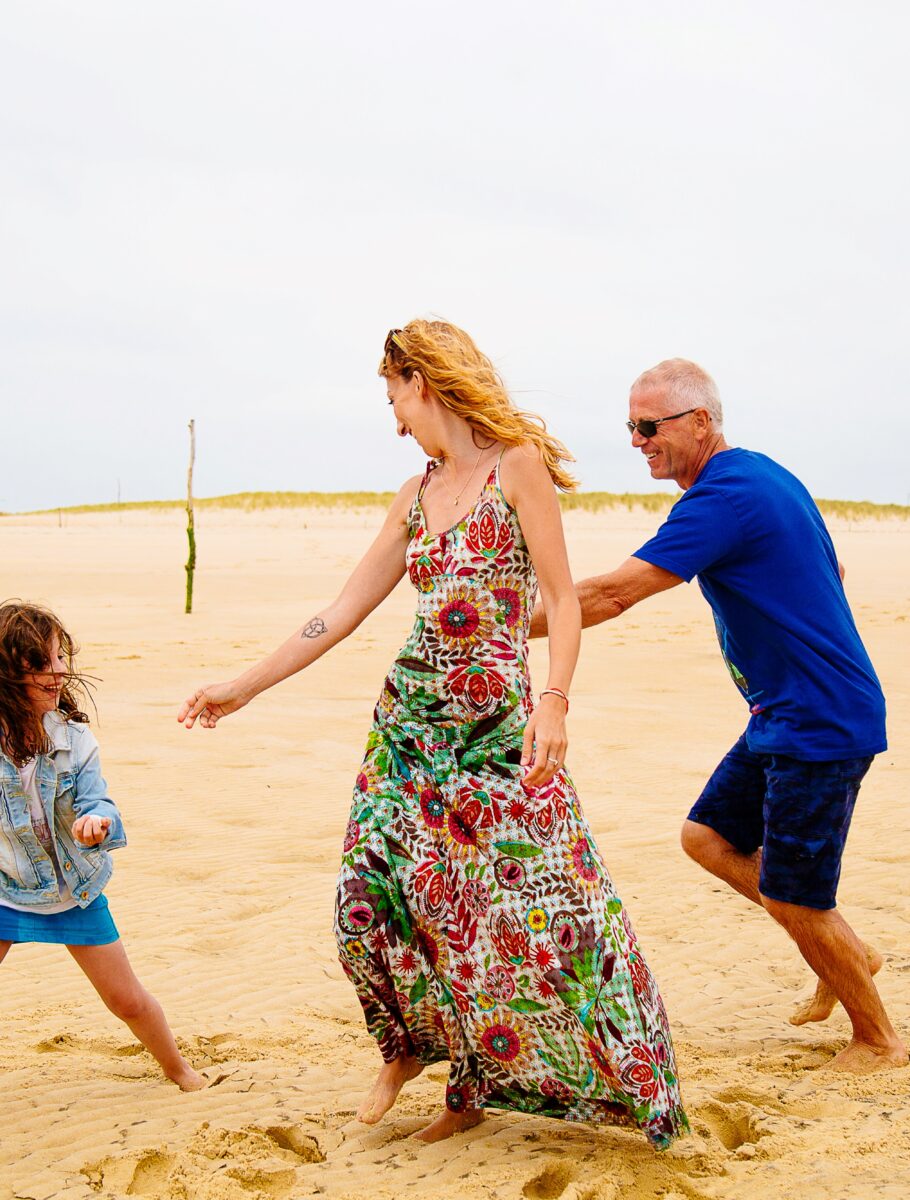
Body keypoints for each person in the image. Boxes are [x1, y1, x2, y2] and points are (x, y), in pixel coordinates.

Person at [178, 320, 689, 1147]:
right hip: (409, 727)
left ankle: (479, 1090)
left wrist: (554, 699)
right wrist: (241, 687)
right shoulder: (414, 495)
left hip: (496, 731)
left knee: (515, 914)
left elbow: (562, 600)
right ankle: (408, 1046)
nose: (393, 419)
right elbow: (339, 612)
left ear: (422, 381)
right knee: (366, 896)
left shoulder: (516, 468)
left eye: (393, 398)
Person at [531, 358, 907, 1075]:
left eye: (650, 426)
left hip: (819, 721)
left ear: (700, 422)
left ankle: (878, 1040)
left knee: (796, 893)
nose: (639, 440)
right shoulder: (763, 476)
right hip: (786, 712)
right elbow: (835, 572)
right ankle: (851, 954)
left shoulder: (722, 499)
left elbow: (612, 594)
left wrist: (495, 628)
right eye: (631, 428)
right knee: (706, 837)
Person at [0, 601, 205, 1090]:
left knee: (126, 1000)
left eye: (60, 659)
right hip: (6, 888)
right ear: (8, 671)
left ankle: (180, 1071)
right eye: (42, 662)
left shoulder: (75, 740)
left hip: (76, 891)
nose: (58, 672)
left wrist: (97, 822)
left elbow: (100, 803)